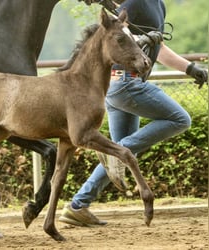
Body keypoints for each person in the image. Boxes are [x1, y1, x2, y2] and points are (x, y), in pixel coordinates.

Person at [59, 0, 208, 227]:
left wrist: (190, 68)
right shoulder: (136, 3)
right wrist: (141, 39)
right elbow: (111, 37)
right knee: (180, 119)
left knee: (121, 148)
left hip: (120, 87)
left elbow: (159, 50)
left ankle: (77, 206)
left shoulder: (156, 5)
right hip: (127, 84)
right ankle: (114, 153)